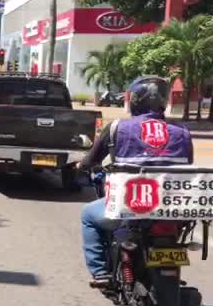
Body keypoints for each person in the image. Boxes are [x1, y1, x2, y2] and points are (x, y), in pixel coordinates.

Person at [77, 76, 193, 287]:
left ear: (134, 100)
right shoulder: (182, 132)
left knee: (88, 215)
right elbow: (188, 165)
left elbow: (91, 160)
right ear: (163, 102)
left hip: (129, 204)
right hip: (173, 207)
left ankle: (100, 271)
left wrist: (80, 166)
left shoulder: (117, 128)